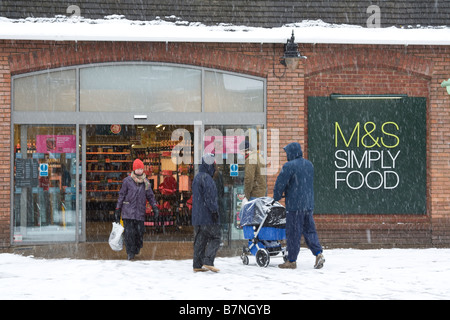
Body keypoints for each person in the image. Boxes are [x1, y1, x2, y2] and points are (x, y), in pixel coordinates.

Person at [273, 142, 325, 269]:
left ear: (291, 152)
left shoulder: (289, 166)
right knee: (309, 230)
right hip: (308, 204)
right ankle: (318, 253)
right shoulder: (309, 164)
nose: (286, 155)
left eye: (286, 152)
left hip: (294, 206)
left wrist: (277, 196)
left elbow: (280, 183)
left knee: (293, 233)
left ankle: (291, 260)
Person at [115, 159, 159, 260]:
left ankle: (136, 247)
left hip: (139, 212)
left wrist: (155, 207)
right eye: (138, 169)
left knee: (139, 233)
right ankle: (130, 252)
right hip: (128, 211)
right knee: (129, 233)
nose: (139, 171)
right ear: (134, 169)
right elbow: (121, 195)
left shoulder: (146, 182)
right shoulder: (127, 181)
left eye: (141, 169)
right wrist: (118, 208)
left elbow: (150, 196)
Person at [192, 153, 221, 273]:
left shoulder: (197, 177)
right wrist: (214, 211)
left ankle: (197, 264)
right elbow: (210, 198)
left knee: (201, 239)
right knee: (216, 237)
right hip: (207, 215)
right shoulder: (208, 179)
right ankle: (208, 261)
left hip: (198, 216)